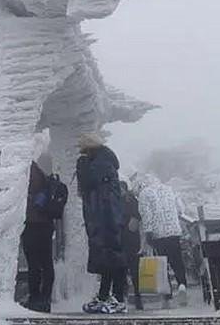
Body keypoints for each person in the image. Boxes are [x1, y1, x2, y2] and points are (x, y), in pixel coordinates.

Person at [76, 133, 128, 314]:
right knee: (108, 257)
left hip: (106, 219)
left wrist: (82, 167)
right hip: (104, 218)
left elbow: (94, 188)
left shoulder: (98, 166)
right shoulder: (103, 163)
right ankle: (105, 295)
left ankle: (119, 298)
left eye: (83, 151)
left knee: (114, 256)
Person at [136, 173, 188, 307]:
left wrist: (148, 233)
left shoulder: (144, 193)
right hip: (174, 231)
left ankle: (167, 295)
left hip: (158, 233)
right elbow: (181, 209)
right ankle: (182, 285)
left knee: (161, 263)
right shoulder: (169, 189)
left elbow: (146, 215)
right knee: (177, 260)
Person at [21, 161, 56, 313]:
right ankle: (44, 298)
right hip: (45, 225)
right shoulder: (41, 173)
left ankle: (36, 298)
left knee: (34, 264)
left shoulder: (29, 170)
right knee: (46, 263)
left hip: (32, 224)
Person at [120, 180, 144, 310]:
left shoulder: (125, 201)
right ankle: (136, 297)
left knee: (126, 269)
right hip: (131, 239)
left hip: (126, 239)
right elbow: (136, 218)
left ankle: (130, 297)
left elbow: (135, 219)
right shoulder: (133, 201)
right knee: (132, 270)